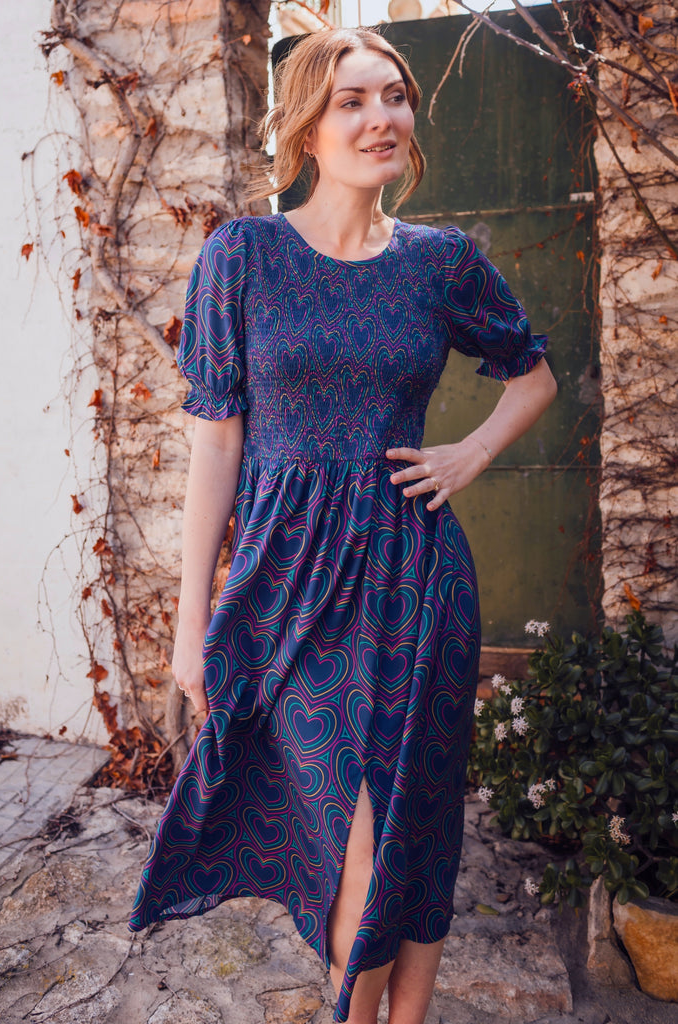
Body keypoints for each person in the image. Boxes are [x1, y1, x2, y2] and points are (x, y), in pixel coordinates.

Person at [129, 26, 557, 1024]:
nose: (380, 119)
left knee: (415, 820)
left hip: (415, 578)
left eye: (394, 96)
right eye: (351, 101)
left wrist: (467, 454)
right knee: (351, 838)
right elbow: (217, 446)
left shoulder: (440, 262)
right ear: (305, 127)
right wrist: (193, 625)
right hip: (284, 585)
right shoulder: (242, 255)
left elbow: (532, 378)